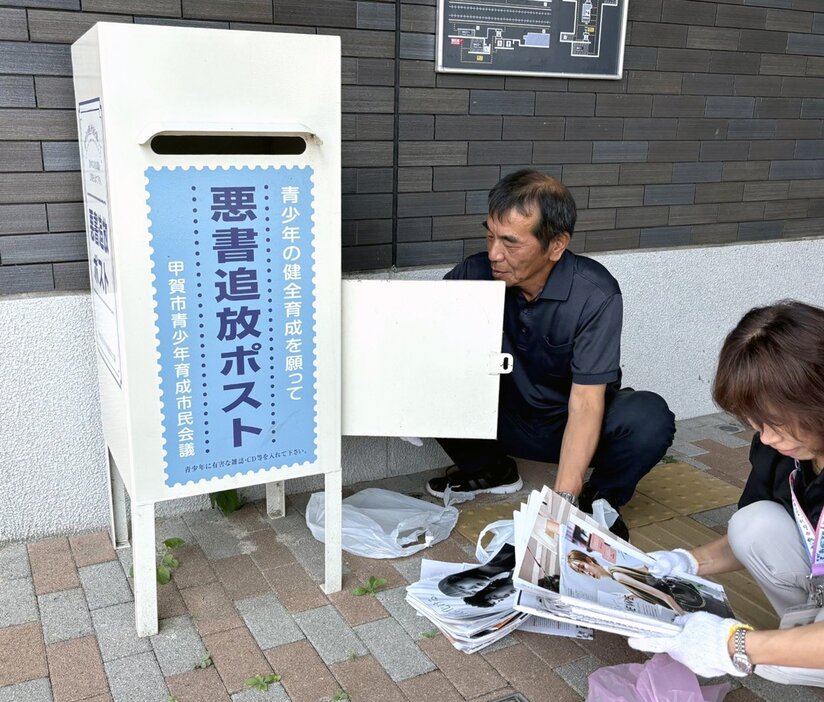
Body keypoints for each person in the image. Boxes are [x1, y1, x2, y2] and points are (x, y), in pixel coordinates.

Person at [426, 169, 676, 539]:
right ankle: (491, 470)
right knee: (422, 374)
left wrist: (561, 503)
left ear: (556, 245)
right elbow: (425, 339)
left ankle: (597, 500)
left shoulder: (595, 293)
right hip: (503, 416)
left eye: (510, 242)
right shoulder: (474, 272)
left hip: (568, 422)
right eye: (490, 235)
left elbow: (588, 404)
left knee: (649, 417)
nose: (494, 253)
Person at [629, 301, 824, 685]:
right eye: (756, 423)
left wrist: (736, 645)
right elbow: (748, 540)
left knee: (768, 662)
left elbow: (739, 650)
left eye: (779, 423)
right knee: (753, 522)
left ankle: (805, 647)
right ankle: (806, 639)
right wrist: (683, 563)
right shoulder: (780, 446)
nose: (766, 438)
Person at [567, 549, 686, 615]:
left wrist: (683, 618)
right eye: (581, 572)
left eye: (582, 567)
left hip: (676, 599)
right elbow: (642, 577)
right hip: (674, 591)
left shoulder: (617, 576)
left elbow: (664, 596)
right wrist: (630, 595)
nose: (586, 573)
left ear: (589, 560)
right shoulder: (614, 570)